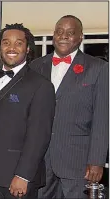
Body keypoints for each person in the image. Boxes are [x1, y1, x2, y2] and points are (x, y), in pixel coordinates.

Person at [0, 23, 56, 199]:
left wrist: (23, 175)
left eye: (18, 43)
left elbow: (39, 136)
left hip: (17, 177)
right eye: (6, 42)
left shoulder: (41, 85)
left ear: (28, 48)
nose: (11, 48)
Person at [30, 15, 109, 199]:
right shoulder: (36, 66)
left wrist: (97, 161)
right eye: (59, 31)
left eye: (70, 33)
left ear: (80, 37)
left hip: (78, 161)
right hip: (40, 160)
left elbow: (102, 117)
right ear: (53, 35)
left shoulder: (98, 68)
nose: (63, 36)